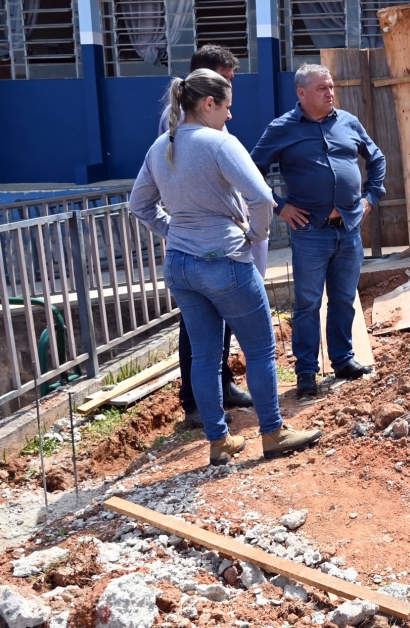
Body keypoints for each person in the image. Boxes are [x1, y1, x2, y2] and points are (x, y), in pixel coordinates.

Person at [131, 68, 322, 465]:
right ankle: (273, 432)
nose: (230, 115)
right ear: (208, 103)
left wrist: (173, 230)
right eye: (227, 107)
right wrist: (254, 235)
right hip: (225, 262)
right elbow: (262, 197)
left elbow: (139, 205)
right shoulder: (220, 143)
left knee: (204, 356)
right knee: (260, 350)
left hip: (180, 265)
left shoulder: (160, 146)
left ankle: (219, 442)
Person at [251, 64, 385, 398]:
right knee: (308, 304)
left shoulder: (347, 122)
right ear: (301, 93)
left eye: (331, 87)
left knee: (343, 299)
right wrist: (280, 206)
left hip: (349, 230)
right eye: (322, 88)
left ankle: (343, 359)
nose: (330, 93)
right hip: (310, 232)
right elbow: (251, 174)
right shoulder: (281, 128)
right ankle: (307, 372)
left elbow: (377, 158)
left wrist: (371, 197)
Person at [158, 45, 255, 430]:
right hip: (200, 249)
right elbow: (173, 186)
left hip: (216, 244)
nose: (231, 91)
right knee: (198, 333)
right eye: (225, 80)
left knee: (219, 326)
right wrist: (174, 229)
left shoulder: (212, 121)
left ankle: (222, 386)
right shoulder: (179, 125)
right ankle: (196, 403)